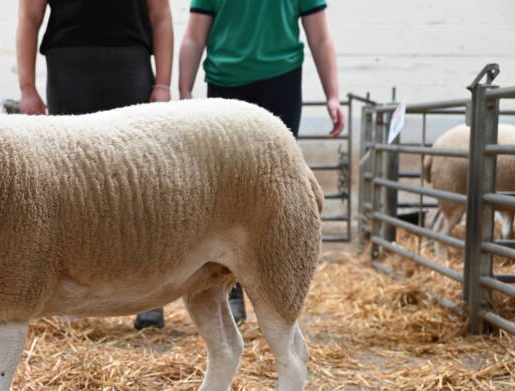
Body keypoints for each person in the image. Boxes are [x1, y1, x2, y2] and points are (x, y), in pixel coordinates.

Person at [178, 0, 344, 322]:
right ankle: (231, 290)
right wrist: (184, 88)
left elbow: (320, 36)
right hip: (225, 81)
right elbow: (194, 35)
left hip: (279, 80)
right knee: (228, 196)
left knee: (278, 196)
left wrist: (332, 94)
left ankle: (278, 292)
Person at [17, 0, 174, 330]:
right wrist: (27, 88)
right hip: (68, 67)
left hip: (131, 63)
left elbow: (160, 17)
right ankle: (71, 298)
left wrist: (162, 83)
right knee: (71, 189)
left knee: (141, 187)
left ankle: (151, 299)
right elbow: (30, 19)